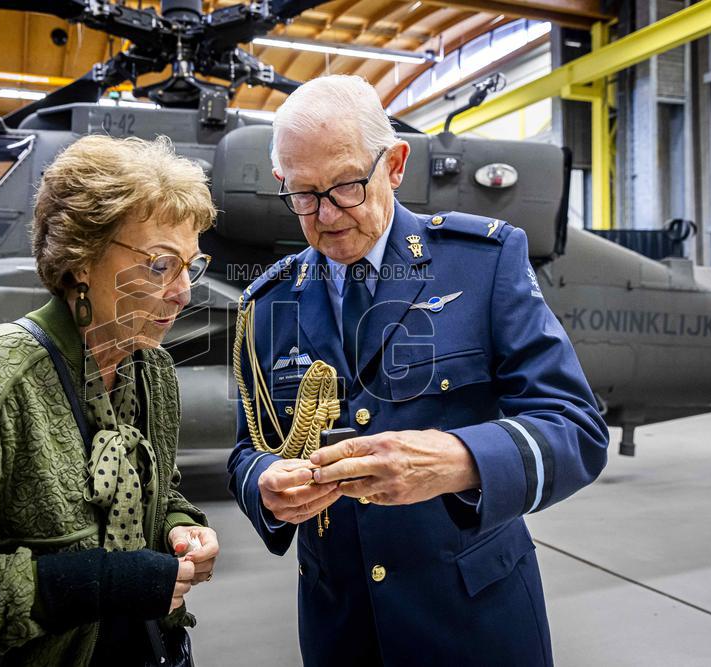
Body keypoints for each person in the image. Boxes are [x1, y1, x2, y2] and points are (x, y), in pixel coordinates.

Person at [228, 74, 609, 666]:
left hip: (473, 622)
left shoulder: (482, 263)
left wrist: (458, 461)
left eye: (348, 186)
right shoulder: (267, 301)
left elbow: (576, 428)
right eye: (304, 194)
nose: (326, 215)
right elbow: (246, 449)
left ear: (396, 164)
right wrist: (264, 487)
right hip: (341, 627)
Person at [0, 134, 220, 665]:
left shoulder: (151, 369)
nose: (184, 292)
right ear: (80, 260)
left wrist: (175, 526)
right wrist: (89, 584)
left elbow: (158, 491)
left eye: (192, 265)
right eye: (160, 265)